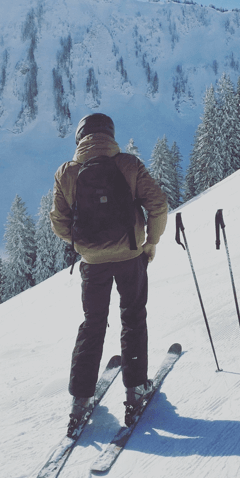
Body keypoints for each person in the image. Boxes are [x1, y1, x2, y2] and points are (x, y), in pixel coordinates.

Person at [49, 113, 169, 435]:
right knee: (132, 317)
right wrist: (150, 242)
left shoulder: (67, 173)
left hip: (92, 264)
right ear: (109, 135)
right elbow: (158, 205)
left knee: (93, 324)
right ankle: (135, 390)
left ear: (80, 138)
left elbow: (59, 223)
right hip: (131, 256)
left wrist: (84, 245)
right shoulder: (129, 164)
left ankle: (80, 400)